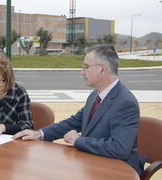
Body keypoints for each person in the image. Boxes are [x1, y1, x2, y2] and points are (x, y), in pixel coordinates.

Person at [13, 44, 146, 175]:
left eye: (86, 67)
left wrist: (78, 140)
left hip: (118, 171)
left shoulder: (125, 102)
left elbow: (120, 148)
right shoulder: (95, 95)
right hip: (92, 163)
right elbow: (74, 122)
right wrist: (39, 134)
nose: (81, 72)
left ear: (103, 69)